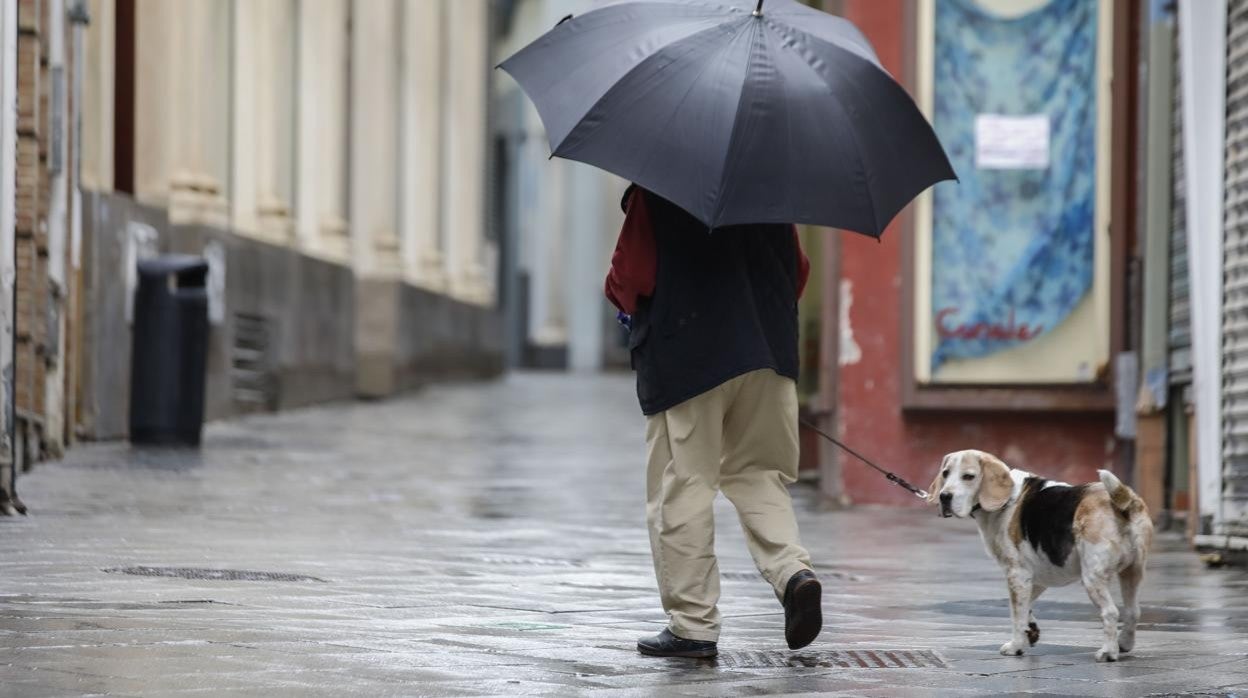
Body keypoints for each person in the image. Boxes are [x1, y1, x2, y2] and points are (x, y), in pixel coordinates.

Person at [605, 184, 820, 659]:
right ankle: (793, 574)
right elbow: (797, 273)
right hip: (768, 352)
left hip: (689, 358)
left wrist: (621, 298)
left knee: (684, 484)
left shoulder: (658, 185)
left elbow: (631, 276)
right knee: (759, 474)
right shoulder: (772, 188)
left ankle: (693, 625)